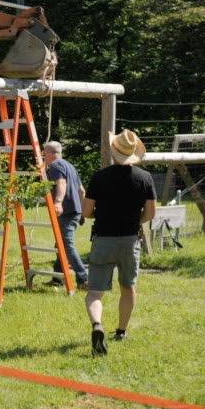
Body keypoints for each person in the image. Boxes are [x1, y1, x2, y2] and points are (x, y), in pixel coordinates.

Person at [80, 129, 156, 356]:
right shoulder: (145, 178)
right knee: (128, 287)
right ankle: (121, 331)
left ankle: (97, 324)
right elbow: (151, 213)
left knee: (95, 292)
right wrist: (135, 221)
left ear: (114, 152)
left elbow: (86, 211)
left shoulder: (99, 177)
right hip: (130, 240)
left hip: (103, 239)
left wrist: (100, 216)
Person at [40, 141, 88, 288]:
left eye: (44, 153)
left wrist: (58, 202)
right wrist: (82, 212)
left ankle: (84, 279)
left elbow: (61, 183)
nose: (42, 156)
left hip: (66, 211)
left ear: (50, 153)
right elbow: (81, 190)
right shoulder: (70, 166)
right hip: (74, 210)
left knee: (67, 245)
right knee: (60, 244)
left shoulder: (55, 166)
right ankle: (57, 278)